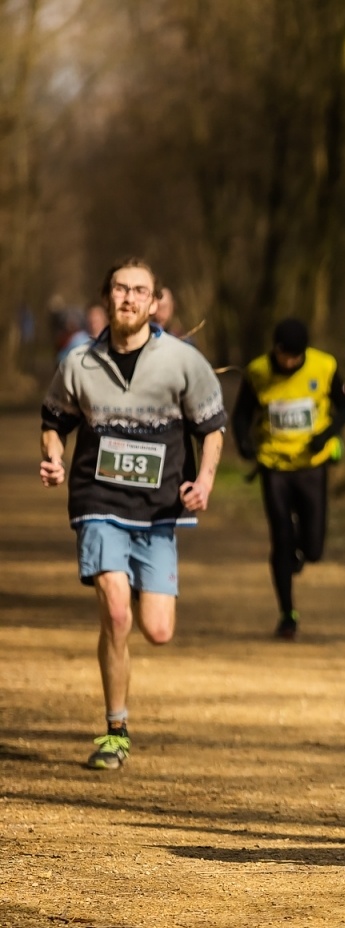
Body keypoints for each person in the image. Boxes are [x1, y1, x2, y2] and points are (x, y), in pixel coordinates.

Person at [39, 257, 227, 771]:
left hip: (160, 509)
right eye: (119, 289)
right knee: (115, 613)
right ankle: (115, 729)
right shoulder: (79, 363)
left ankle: (135, 581)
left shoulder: (182, 362)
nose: (128, 298)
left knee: (157, 629)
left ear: (154, 302)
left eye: (138, 291)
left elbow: (212, 428)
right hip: (98, 504)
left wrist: (205, 480)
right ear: (107, 298)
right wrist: (54, 457)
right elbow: (54, 420)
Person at [232, 317, 345, 640]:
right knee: (281, 539)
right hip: (274, 466)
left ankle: (301, 554)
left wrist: (326, 435)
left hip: (312, 465)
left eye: (297, 357)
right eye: (287, 356)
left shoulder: (324, 366)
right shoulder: (257, 372)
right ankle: (287, 613)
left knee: (313, 547)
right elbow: (242, 414)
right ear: (277, 350)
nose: (292, 363)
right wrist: (244, 442)